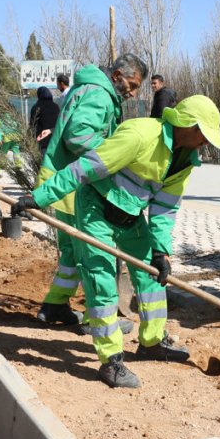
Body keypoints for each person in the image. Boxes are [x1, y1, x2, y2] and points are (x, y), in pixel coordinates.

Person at [12, 95, 220, 388]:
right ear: (189, 125)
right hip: (96, 209)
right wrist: (39, 197)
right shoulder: (140, 135)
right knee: (102, 285)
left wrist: (161, 251)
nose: (206, 144)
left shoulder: (185, 160)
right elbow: (84, 168)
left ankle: (151, 342)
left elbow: (164, 209)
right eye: (204, 135)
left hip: (131, 218)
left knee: (152, 277)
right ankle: (110, 361)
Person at [33, 55, 146, 327]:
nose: (132, 92)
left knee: (73, 250)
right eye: (131, 84)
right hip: (73, 181)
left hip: (63, 178)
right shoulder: (100, 95)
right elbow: (79, 137)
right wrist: (115, 155)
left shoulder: (88, 88)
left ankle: (55, 305)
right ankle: (97, 320)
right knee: (91, 255)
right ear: (117, 75)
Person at [29, 87, 60, 153]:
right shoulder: (56, 106)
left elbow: (32, 124)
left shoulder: (36, 107)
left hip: (41, 140)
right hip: (55, 140)